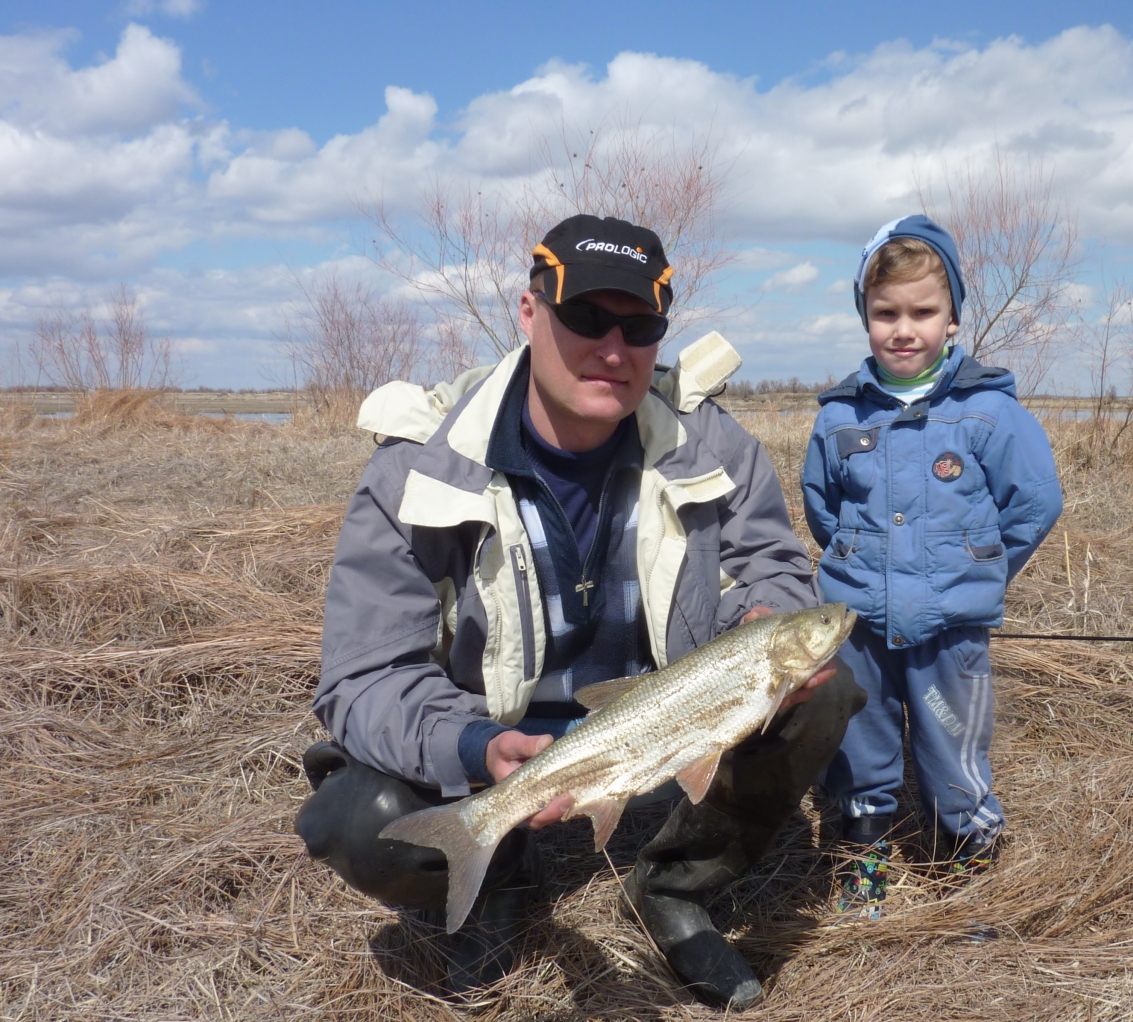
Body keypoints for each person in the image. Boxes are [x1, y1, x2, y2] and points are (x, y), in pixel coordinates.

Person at [294, 214, 865, 1010]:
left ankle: (673, 885)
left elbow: (774, 564)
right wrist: (474, 746)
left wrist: (773, 613)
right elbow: (363, 677)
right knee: (361, 819)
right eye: (587, 318)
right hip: (494, 740)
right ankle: (494, 875)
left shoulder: (711, 442)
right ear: (530, 314)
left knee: (828, 686)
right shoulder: (419, 467)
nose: (614, 349)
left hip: (656, 724)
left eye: (640, 328)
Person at [802, 215, 1063, 920]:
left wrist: (979, 569)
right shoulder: (838, 418)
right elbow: (824, 510)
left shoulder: (987, 410)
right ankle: (864, 858)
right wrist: (863, 569)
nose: (903, 329)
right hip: (859, 624)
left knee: (953, 745)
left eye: (922, 312)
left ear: (952, 319)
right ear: (865, 317)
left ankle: (968, 860)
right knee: (859, 742)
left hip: (950, 629)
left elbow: (1035, 503)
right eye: (886, 313)